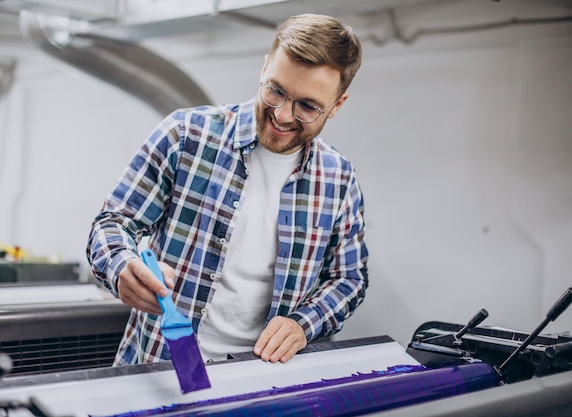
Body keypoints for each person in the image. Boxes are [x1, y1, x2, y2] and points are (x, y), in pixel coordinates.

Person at [86, 13, 369, 366]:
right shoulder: (185, 135)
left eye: (307, 106)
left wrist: (302, 325)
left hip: (263, 380)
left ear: (337, 105)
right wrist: (120, 265)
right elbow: (113, 222)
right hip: (163, 365)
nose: (282, 115)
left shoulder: (338, 179)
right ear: (264, 68)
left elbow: (348, 278)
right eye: (275, 90)